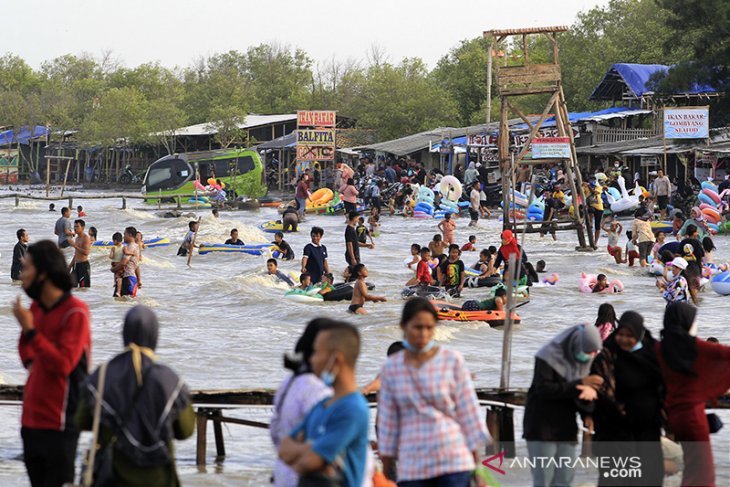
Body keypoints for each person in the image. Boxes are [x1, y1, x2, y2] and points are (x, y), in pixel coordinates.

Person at [75, 305, 194, 486]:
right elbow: (185, 431)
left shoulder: (103, 375)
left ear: (124, 333)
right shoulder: (168, 379)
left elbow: (81, 420)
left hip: (112, 475)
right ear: (155, 335)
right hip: (159, 477)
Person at [378, 298, 489, 484]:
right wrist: (387, 469)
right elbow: (388, 422)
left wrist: (478, 469)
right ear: (403, 326)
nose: (423, 334)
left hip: (452, 461)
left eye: (429, 328)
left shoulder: (452, 361)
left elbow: (469, 414)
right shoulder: (392, 368)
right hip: (412, 465)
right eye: (417, 327)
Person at [12, 240, 91, 487]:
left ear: (43, 273)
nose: (21, 274)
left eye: (26, 269)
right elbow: (27, 356)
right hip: (31, 419)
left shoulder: (75, 311)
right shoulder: (36, 309)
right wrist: (32, 334)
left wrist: (32, 332)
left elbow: (62, 365)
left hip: (60, 422)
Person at [279, 320, 370, 487]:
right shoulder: (321, 405)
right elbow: (284, 449)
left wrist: (306, 450)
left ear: (336, 359)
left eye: (317, 353)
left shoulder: (353, 408)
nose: (312, 360)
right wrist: (312, 449)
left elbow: (308, 463)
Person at [656, 302, 730, 487]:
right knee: (704, 474)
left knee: (691, 467)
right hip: (693, 417)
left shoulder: (660, 348)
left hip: (673, 416)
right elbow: (724, 354)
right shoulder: (693, 346)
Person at [589, 310, 664, 486]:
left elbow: (664, 388)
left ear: (639, 335)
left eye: (630, 335)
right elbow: (598, 390)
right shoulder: (607, 357)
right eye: (621, 334)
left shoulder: (652, 355)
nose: (624, 339)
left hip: (647, 429)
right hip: (614, 431)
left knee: (649, 476)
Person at [523, 324, 603, 487]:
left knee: (564, 481)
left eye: (591, 353)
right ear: (575, 343)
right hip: (541, 428)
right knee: (544, 481)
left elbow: (578, 394)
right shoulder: (547, 356)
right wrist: (580, 383)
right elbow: (543, 389)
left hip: (566, 428)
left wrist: (587, 413)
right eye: (586, 351)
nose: (588, 356)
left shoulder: (582, 363)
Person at [271, 319, 333, 486]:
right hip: (307, 477)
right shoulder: (318, 389)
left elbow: (275, 430)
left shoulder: (289, 382)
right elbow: (325, 442)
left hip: (283, 471)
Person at [67, 219, 92, 288]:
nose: (75, 228)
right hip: (76, 266)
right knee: (72, 286)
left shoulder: (86, 238)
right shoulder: (77, 238)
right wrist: (69, 266)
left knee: (84, 288)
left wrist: (75, 246)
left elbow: (86, 252)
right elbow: (76, 254)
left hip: (84, 266)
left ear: (83, 227)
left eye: (77, 226)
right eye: (74, 226)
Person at [118, 226, 140, 297]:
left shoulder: (130, 247)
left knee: (125, 301)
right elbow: (137, 266)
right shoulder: (136, 246)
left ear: (130, 235)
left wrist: (113, 269)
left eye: (125, 234)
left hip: (128, 278)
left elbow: (124, 262)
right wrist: (139, 280)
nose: (123, 236)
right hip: (132, 278)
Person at [109, 232, 124, 297]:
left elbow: (111, 256)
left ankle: (115, 282)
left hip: (114, 263)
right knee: (120, 277)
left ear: (115, 241)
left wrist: (111, 256)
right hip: (120, 263)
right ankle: (118, 291)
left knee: (115, 274)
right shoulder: (124, 247)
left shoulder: (113, 248)